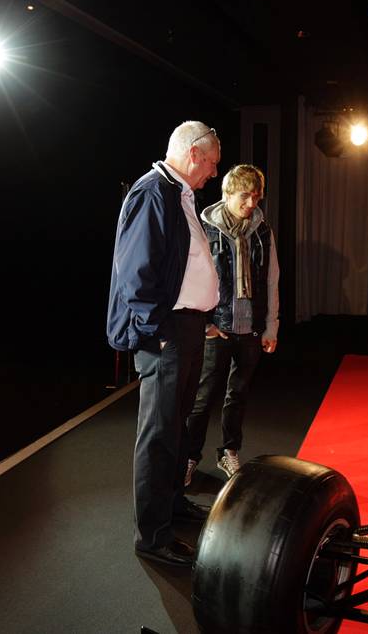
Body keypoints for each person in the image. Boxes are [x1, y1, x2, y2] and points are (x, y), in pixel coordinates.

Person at [107, 121, 222, 567]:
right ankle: (153, 537)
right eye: (212, 163)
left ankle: (172, 505)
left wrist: (199, 316)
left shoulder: (180, 194)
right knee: (159, 434)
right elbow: (135, 272)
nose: (214, 173)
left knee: (177, 427)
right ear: (194, 154)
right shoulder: (152, 191)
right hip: (166, 332)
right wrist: (157, 330)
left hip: (186, 328)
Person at [185, 164, 279, 485]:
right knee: (202, 398)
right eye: (245, 196)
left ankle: (229, 451)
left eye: (256, 197)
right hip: (217, 327)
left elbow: (272, 280)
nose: (251, 203)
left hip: (250, 329)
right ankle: (189, 456)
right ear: (227, 193)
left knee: (237, 395)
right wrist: (205, 325)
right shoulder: (205, 228)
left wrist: (271, 326)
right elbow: (192, 279)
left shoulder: (262, 231)